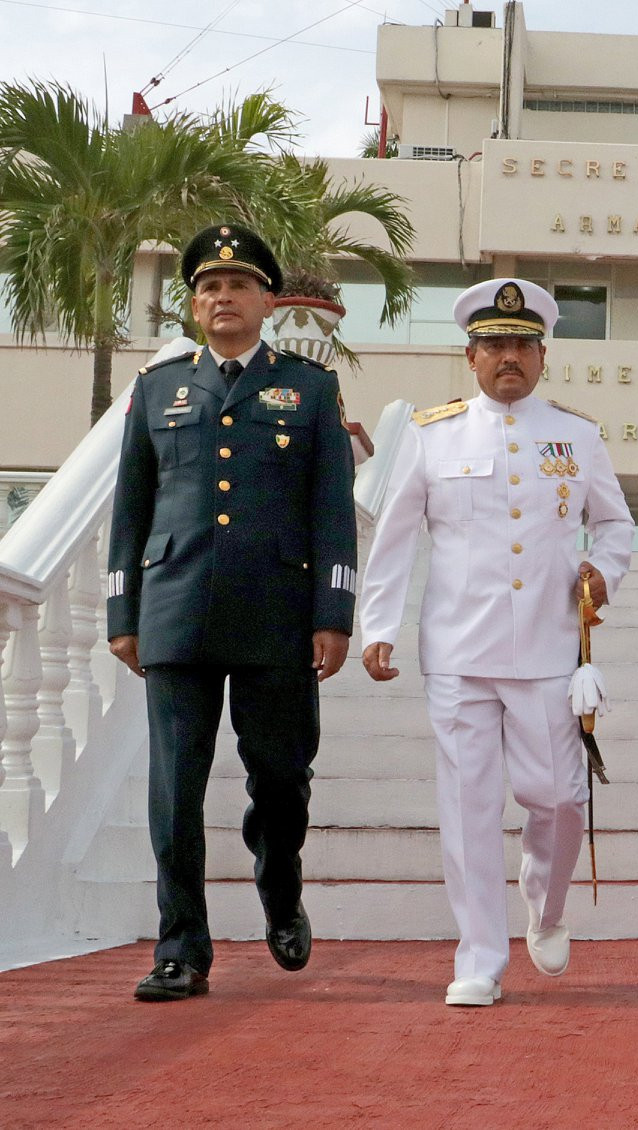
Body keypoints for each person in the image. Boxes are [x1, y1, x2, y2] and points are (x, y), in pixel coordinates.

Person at [358, 279, 634, 1006]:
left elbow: (612, 523)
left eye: (521, 345)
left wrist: (602, 570)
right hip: (458, 649)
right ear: (470, 358)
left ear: (542, 355)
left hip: (548, 649)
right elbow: (393, 540)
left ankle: (544, 900)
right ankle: (478, 957)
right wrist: (377, 626)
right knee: (468, 806)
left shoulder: (577, 435)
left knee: (559, 798)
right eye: (493, 346)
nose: (507, 358)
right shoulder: (431, 432)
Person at [107, 223, 357, 1002]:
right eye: (209, 287)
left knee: (281, 776)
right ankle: (181, 947)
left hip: (278, 612)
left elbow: (330, 512)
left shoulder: (308, 389)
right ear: (193, 304)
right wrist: (124, 609)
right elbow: (131, 505)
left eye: (238, 285)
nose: (223, 297)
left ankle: (279, 886)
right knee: (174, 788)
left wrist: (334, 611)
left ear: (267, 300)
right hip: (176, 608)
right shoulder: (158, 388)